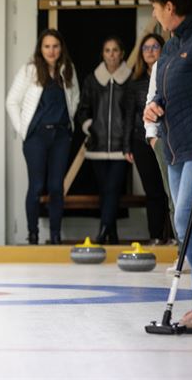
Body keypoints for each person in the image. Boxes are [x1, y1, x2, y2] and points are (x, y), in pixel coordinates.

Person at [143, 0, 192, 331]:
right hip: (175, 147)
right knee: (184, 222)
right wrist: (154, 106)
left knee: (188, 221)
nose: (154, 14)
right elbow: (166, 91)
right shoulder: (172, 44)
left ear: (170, 6)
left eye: (156, 7)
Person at [5, 29, 80, 245]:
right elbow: (11, 101)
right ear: (40, 48)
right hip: (36, 136)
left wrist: (67, 123)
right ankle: (34, 235)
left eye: (55, 46)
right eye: (47, 46)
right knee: (36, 186)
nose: (51, 50)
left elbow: (75, 98)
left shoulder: (68, 70)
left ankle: (55, 236)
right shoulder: (30, 70)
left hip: (60, 136)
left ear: (61, 48)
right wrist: (23, 129)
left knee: (57, 187)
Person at [76, 36, 131, 245]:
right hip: (97, 146)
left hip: (120, 147)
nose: (111, 54)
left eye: (115, 50)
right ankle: (113, 234)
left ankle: (102, 231)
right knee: (105, 191)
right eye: (107, 50)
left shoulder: (129, 79)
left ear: (122, 53)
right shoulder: (92, 80)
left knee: (113, 189)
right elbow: (82, 109)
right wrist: (91, 127)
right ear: (102, 54)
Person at [123, 33, 173, 243]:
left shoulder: (170, 75)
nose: (150, 51)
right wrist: (126, 146)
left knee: (170, 191)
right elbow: (128, 116)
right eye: (146, 48)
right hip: (141, 141)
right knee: (152, 190)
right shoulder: (134, 83)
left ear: (163, 50)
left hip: (168, 140)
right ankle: (155, 236)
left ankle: (173, 238)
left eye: (155, 47)